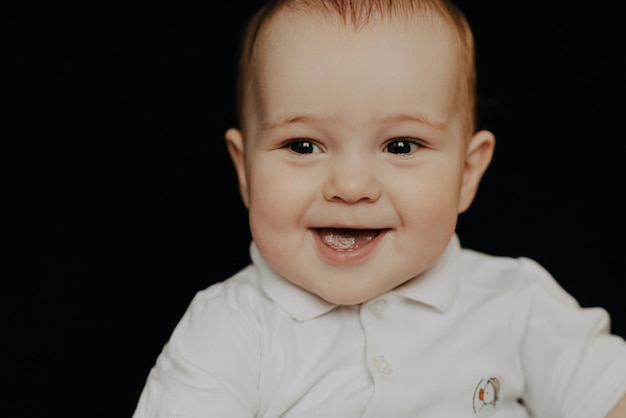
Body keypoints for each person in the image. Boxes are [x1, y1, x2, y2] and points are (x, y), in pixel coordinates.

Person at [132, 0, 626, 416]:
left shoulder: (517, 303)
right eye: (303, 146)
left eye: (401, 146)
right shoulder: (233, 328)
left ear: (467, 174)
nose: (351, 186)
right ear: (245, 172)